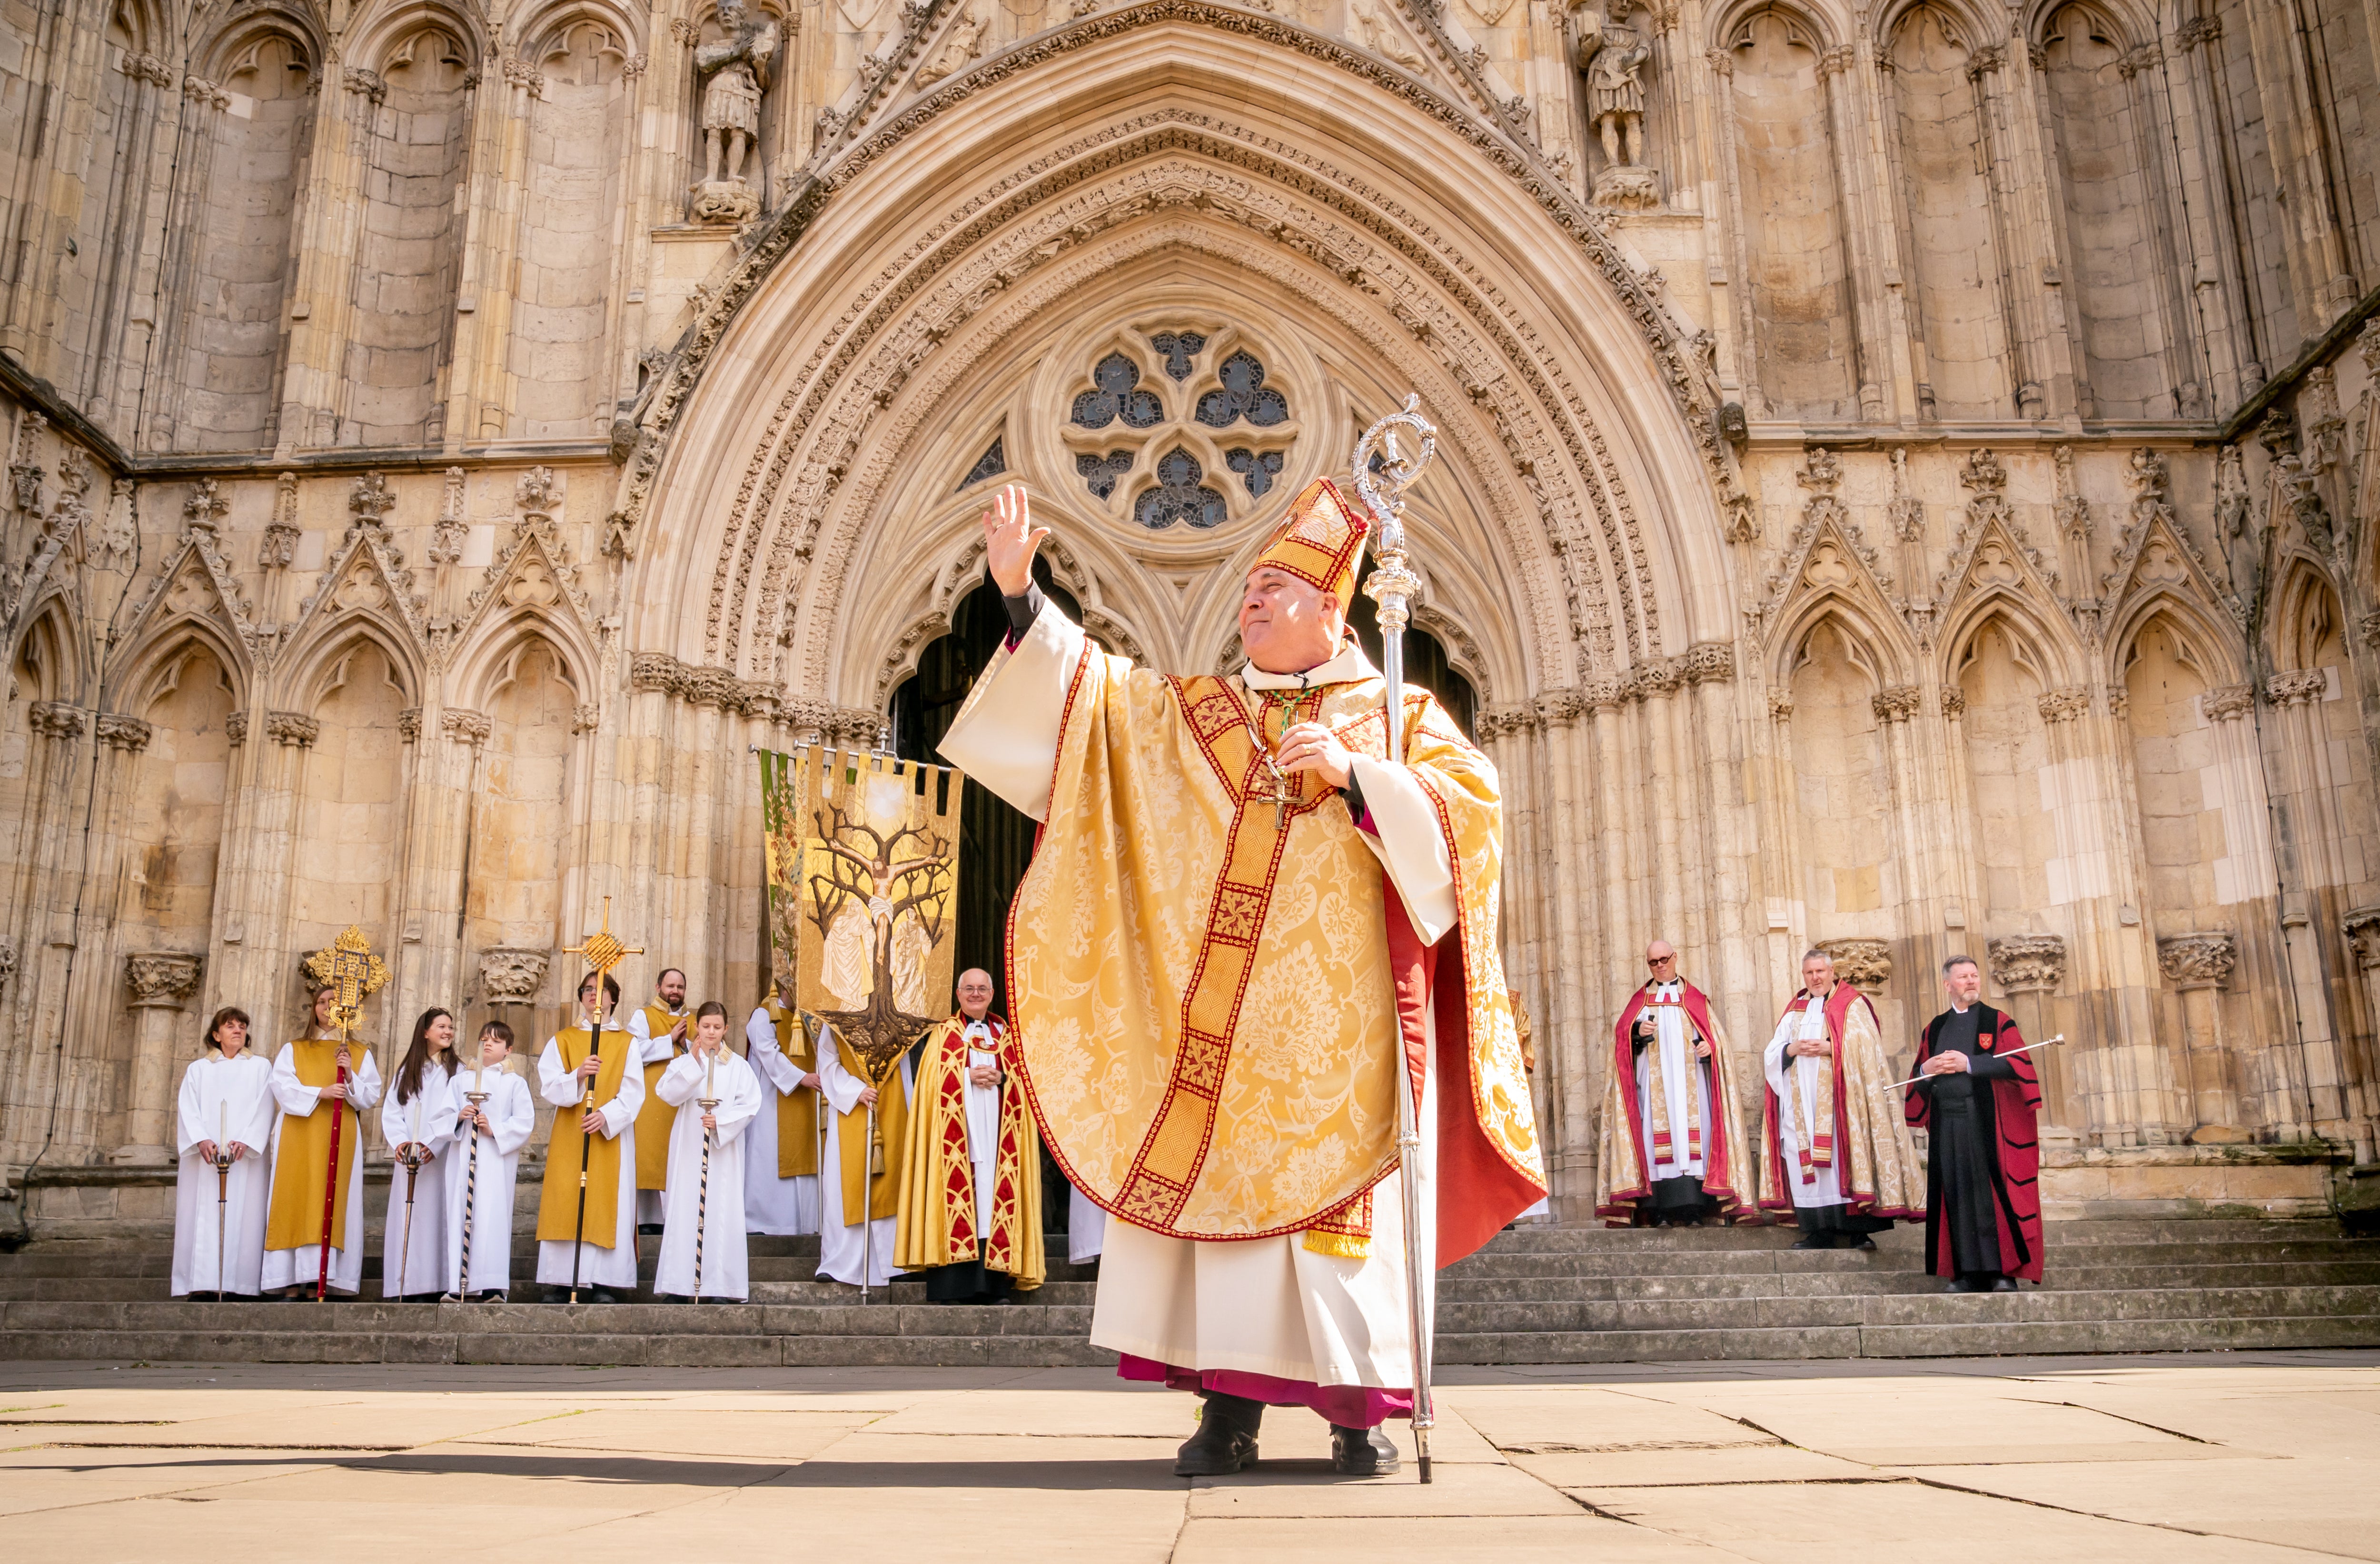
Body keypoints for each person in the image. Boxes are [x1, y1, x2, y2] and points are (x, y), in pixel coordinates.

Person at [939, 481, 1543, 1478]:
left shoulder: (1398, 712)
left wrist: (1360, 773)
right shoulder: (1199, 715)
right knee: (1217, 1213)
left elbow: (1471, 823)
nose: (1249, 603)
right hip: (1218, 1032)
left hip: (1339, 1036)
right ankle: (1228, 1415)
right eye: (1249, 589)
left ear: (1329, 613)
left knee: (1336, 1224)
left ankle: (1360, 1415)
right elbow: (1092, 702)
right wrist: (1018, 596)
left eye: (1272, 588)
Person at [1758, 948, 1924, 1248]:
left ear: (1832, 972)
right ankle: (1818, 1231)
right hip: (1800, 1105)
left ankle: (1858, 1231)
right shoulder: (1795, 1008)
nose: (1815, 978)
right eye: (1809, 973)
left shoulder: (1852, 1004)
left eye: (1820, 971)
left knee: (1843, 1159)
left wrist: (1832, 1047)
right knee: (1804, 1162)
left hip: (1841, 1104)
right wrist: (1791, 1050)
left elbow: (1868, 1049)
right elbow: (1773, 1051)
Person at [896, 967, 1044, 1302]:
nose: (976, 994)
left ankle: (995, 1286)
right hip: (956, 1143)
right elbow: (931, 1087)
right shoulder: (943, 1035)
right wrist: (965, 1076)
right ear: (959, 994)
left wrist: (1002, 1077)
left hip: (998, 1141)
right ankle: (953, 1286)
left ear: (992, 994)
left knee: (994, 1202)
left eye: (982, 989)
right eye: (969, 989)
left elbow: (1028, 1085)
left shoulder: (1008, 1035)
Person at [1907, 955, 2043, 1292]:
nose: (1971, 981)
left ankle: (2000, 1272)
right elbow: (1916, 1077)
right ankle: (1966, 1272)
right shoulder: (1935, 1028)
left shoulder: (1997, 1021)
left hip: (1983, 1123)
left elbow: (2018, 1065)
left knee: (1989, 1197)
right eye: (1963, 977)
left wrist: (1970, 1063)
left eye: (1974, 976)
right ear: (1947, 984)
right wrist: (1928, 1069)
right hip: (1946, 1125)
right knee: (1956, 1194)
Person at [1595, 941, 1754, 1226]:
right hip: (1655, 1089)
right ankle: (1658, 1212)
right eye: (1653, 962)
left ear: (1675, 958)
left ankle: (1694, 1210)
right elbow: (1621, 1045)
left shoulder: (1694, 999)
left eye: (1664, 959)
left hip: (1692, 1085)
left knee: (1693, 1142)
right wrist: (1636, 1033)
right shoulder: (1640, 1002)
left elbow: (1716, 1042)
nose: (1660, 966)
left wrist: (1709, 1050)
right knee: (1656, 1145)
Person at [262, 983, 385, 1298]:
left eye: (333, 1001)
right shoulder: (294, 1048)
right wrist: (321, 1092)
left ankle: (326, 1276)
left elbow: (370, 1095)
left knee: (329, 1200)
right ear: (313, 1008)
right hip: (299, 1132)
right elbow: (281, 1085)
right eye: (320, 1001)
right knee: (296, 1196)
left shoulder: (358, 1052)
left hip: (340, 1130)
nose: (326, 1006)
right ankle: (289, 1278)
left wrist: (349, 1073)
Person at [533, 972, 645, 1302]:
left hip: (609, 1134)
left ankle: (604, 1282)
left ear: (614, 997)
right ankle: (561, 1280)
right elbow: (549, 1085)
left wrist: (607, 1115)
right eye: (588, 990)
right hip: (571, 1129)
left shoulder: (628, 1042)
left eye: (602, 990)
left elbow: (635, 1091)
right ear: (581, 996)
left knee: (606, 1201)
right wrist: (578, 1075)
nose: (594, 995)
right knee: (566, 1199)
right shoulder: (563, 1039)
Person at [654, 1001, 764, 1302]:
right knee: (685, 1207)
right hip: (690, 1145)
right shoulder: (684, 1062)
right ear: (697, 1028)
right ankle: (679, 1285)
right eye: (706, 1027)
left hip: (723, 1151)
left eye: (717, 1027)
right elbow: (666, 1093)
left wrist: (722, 1122)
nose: (711, 1033)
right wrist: (692, 1064)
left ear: (726, 1029)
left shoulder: (739, 1066)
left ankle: (720, 1287)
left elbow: (751, 1104)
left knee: (721, 1211)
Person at [171, 1006, 274, 1300]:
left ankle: (239, 1285)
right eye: (230, 1026)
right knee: (200, 1215)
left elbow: (265, 1105)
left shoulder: (261, 1067)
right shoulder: (199, 1069)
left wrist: (248, 1140)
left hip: (245, 1158)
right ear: (216, 1035)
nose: (238, 1030)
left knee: (245, 1214)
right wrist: (202, 1139)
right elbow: (188, 1108)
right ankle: (201, 1283)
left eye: (242, 1026)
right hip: (206, 1158)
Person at [814, 1000, 913, 1289]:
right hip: (852, 1107)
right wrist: (855, 1091)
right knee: (848, 1182)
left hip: (892, 1103)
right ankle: (840, 1263)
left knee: (893, 1174)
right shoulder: (836, 1020)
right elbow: (828, 1063)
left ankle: (896, 1262)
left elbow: (905, 1066)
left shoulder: (898, 1017)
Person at [442, 1020, 535, 1302]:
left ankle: (492, 1285)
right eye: (484, 1039)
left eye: (496, 1041)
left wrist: (494, 1128)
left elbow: (524, 1121)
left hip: (495, 1160)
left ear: (509, 1050)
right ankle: (460, 1284)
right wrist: (459, 1116)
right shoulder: (459, 1081)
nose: (488, 1044)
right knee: (462, 1212)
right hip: (463, 1160)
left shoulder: (514, 1083)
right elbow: (441, 1117)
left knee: (492, 1216)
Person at [380, 1008, 461, 1300]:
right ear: (425, 1032)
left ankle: (438, 1282)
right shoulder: (408, 1071)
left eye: (450, 1027)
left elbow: (455, 1115)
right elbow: (393, 1111)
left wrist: (431, 1145)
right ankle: (408, 1283)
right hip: (409, 1157)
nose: (448, 1032)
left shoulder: (458, 1072)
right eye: (441, 1026)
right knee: (409, 1217)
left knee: (438, 1216)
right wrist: (401, 1143)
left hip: (440, 1156)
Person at [744, 973, 825, 1236]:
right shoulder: (764, 1014)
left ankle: (806, 1225)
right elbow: (767, 1052)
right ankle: (764, 1222)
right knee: (770, 1154)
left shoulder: (806, 1016)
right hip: (773, 1100)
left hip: (808, 1095)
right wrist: (801, 1077)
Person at [627, 968, 692, 1233]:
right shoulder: (643, 1016)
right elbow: (632, 1051)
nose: (675, 991)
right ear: (658, 987)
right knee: (649, 1158)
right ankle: (647, 1220)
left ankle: (681, 1217)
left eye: (680, 987)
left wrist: (686, 1044)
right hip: (652, 1098)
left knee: (679, 1157)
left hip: (684, 1100)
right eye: (670, 986)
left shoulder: (696, 1019)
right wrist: (669, 1039)